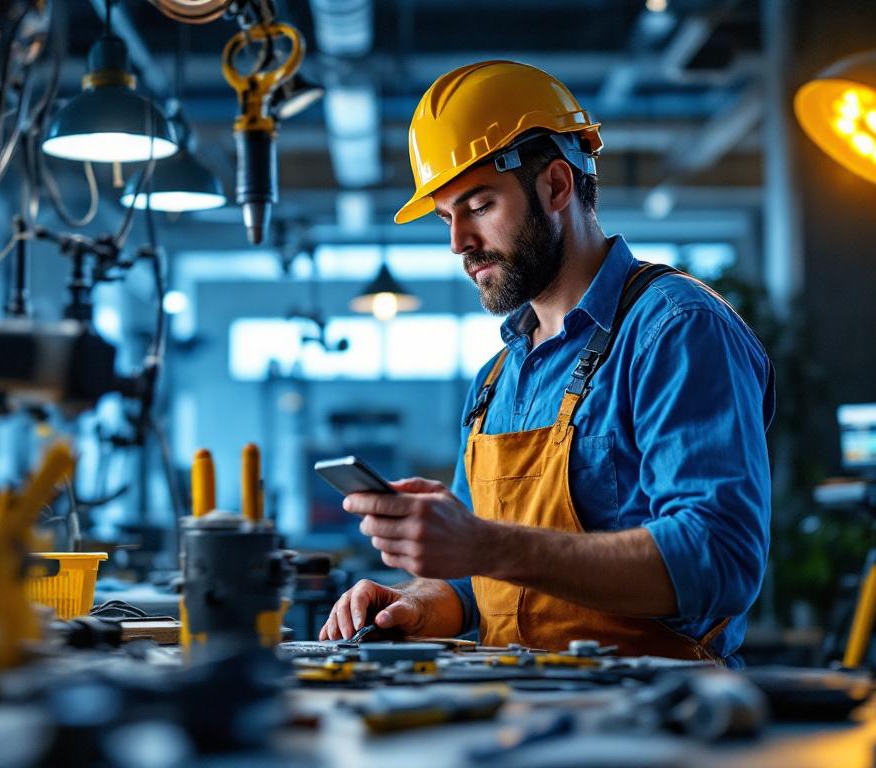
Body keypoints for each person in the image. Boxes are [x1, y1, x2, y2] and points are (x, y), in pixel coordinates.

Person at [318, 60, 775, 666]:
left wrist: (487, 544)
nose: (458, 242)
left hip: (658, 723)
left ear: (557, 187)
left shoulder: (674, 329)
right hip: (516, 716)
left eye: (479, 205)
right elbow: (474, 586)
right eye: (446, 217)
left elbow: (720, 557)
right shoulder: (496, 381)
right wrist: (419, 602)